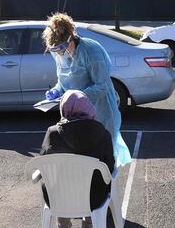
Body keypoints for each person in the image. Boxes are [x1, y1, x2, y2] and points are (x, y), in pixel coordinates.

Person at [42, 13, 131, 166]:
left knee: (101, 152)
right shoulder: (60, 54)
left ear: (71, 37)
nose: (59, 53)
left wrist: (77, 97)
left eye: (61, 48)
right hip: (74, 112)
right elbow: (64, 78)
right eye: (55, 50)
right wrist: (57, 90)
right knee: (79, 153)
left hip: (101, 109)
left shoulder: (92, 52)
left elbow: (101, 86)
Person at [39, 90, 115, 228]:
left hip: (59, 198)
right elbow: (110, 165)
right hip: (93, 198)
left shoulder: (52, 133)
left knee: (57, 185)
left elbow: (43, 162)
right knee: (92, 182)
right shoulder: (102, 132)